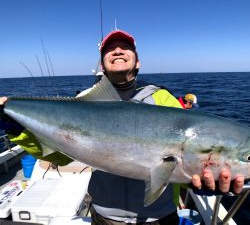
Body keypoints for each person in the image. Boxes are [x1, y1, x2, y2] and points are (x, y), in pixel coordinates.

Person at [0, 30, 244, 225]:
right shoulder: (84, 100)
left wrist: (195, 183)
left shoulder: (163, 100)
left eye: (125, 47)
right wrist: (16, 129)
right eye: (109, 49)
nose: (117, 50)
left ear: (137, 62)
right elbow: (57, 156)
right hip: (105, 215)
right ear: (103, 64)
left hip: (158, 217)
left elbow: (179, 157)